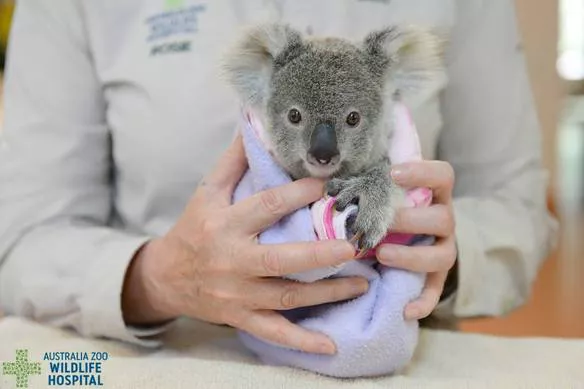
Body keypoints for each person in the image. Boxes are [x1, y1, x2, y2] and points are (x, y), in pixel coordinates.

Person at [0, 0, 558, 355]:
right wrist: (160, 277)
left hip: (393, 346)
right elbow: (22, 240)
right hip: (179, 349)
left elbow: (517, 206)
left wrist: (426, 251)